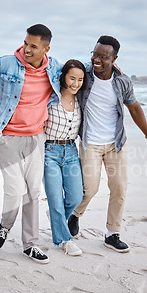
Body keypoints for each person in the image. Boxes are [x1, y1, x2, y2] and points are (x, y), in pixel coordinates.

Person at [67, 35, 147, 253]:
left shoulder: (122, 82)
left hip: (116, 143)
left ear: (114, 58)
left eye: (103, 57)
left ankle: (112, 234)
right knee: (89, 189)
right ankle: (75, 214)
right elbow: (64, 73)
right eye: (94, 54)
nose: (96, 60)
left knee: (119, 188)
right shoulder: (84, 75)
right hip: (90, 142)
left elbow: (134, 108)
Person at [0, 24, 63, 263]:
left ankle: (31, 244)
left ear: (46, 48)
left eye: (33, 46)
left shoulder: (54, 67)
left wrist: (116, 71)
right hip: (8, 136)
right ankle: (6, 224)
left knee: (33, 192)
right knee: (15, 189)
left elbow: (77, 74)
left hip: (38, 137)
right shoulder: (6, 63)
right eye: (26, 43)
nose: (26, 49)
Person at [43, 60, 87, 256]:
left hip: (70, 151)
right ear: (63, 77)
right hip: (49, 151)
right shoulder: (51, 96)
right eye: (71, 78)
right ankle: (65, 240)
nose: (75, 84)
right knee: (55, 201)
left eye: (80, 79)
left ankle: (56, 218)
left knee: (76, 196)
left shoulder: (81, 100)